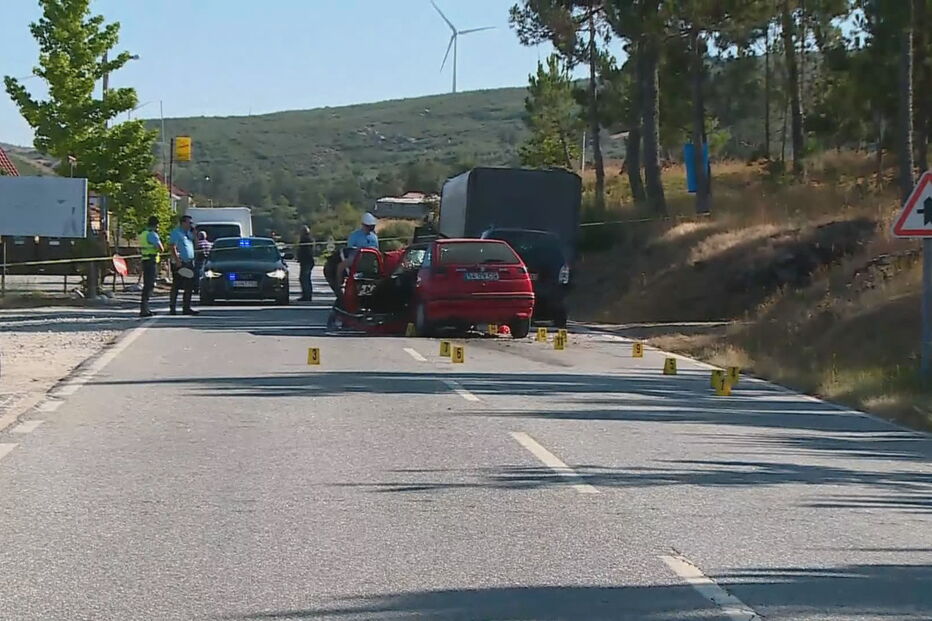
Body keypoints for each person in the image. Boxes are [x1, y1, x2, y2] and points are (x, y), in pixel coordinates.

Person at [169, 214, 198, 316]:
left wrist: (195, 234)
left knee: (189, 286)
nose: (191, 225)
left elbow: (196, 244)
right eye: (189, 223)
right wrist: (177, 260)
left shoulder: (188, 234)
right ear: (183, 223)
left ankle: (186, 307)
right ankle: (172, 308)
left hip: (189, 262)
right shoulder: (176, 233)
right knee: (176, 285)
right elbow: (173, 247)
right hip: (180, 262)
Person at [336, 212, 379, 281]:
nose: (369, 228)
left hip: (370, 259)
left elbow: (376, 249)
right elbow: (350, 249)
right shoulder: (354, 235)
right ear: (363, 225)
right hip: (356, 257)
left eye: (371, 227)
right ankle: (339, 282)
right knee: (340, 267)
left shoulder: (374, 237)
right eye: (368, 226)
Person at [137, 215, 164, 318]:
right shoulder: (152, 234)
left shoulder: (143, 233)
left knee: (147, 285)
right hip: (151, 261)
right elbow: (160, 248)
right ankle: (144, 310)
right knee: (149, 285)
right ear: (155, 225)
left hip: (145, 259)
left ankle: (145, 308)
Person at [296, 225, 315, 302]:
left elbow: (306, 252)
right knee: (304, 279)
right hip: (306, 261)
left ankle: (307, 296)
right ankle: (306, 295)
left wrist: (300, 257)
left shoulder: (306, 240)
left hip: (307, 262)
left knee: (305, 279)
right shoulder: (307, 239)